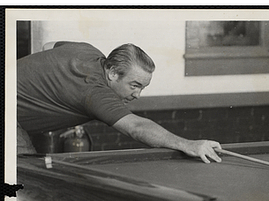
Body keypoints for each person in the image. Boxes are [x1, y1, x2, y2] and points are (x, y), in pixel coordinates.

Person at [17, 41, 222, 163]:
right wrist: (189, 144)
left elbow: (49, 45)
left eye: (142, 87)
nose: (137, 95)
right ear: (113, 73)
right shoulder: (96, 93)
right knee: (25, 173)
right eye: (134, 85)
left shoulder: (88, 51)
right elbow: (135, 127)